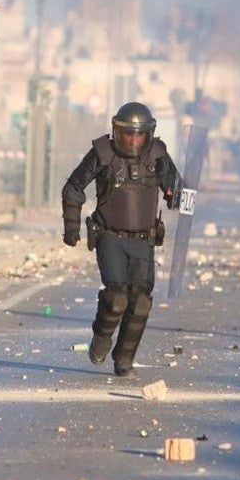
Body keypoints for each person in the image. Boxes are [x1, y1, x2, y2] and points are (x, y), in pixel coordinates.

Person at [62, 102, 179, 377]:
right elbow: (74, 187)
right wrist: (71, 229)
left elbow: (175, 189)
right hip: (110, 236)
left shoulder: (157, 155)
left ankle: (124, 359)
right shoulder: (103, 153)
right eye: (128, 134)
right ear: (117, 131)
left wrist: (180, 195)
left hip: (143, 240)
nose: (134, 140)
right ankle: (101, 338)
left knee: (140, 301)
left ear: (149, 134)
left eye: (139, 134)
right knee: (117, 298)